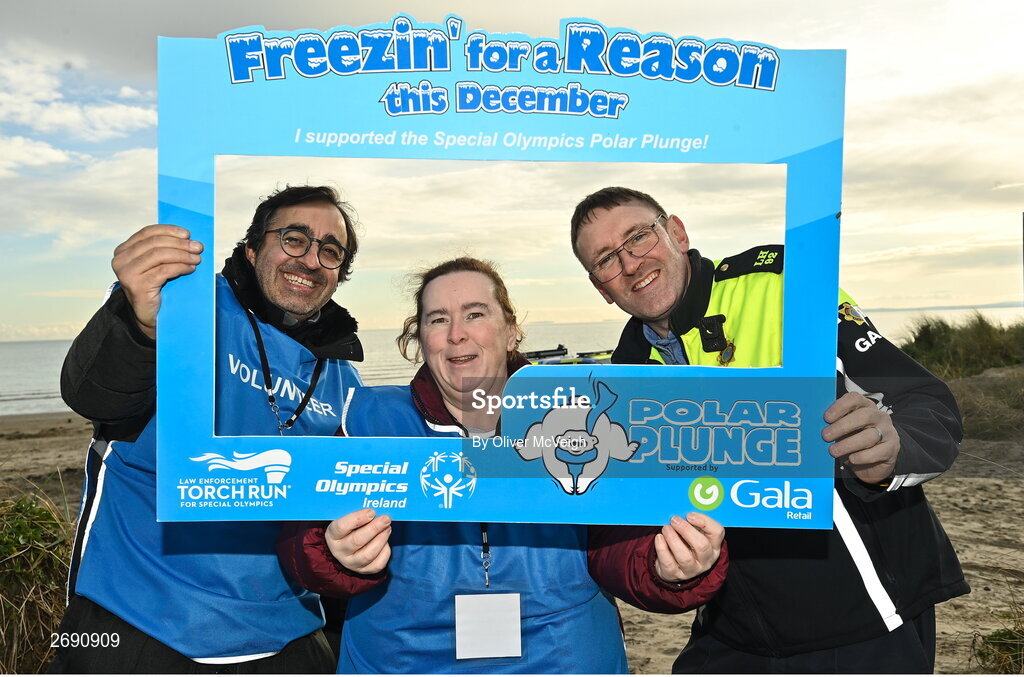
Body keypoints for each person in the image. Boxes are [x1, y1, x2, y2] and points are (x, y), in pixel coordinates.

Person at [569, 186, 968, 674]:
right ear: (600, 288)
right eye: (607, 259)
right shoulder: (622, 371)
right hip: (737, 629)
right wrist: (666, 568)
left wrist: (894, 449)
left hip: (868, 616)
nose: (630, 264)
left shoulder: (780, 283)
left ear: (676, 232)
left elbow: (927, 405)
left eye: (639, 237)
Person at [277, 257, 729, 673]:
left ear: (511, 329)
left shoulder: (580, 413)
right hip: (406, 660)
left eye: (475, 314)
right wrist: (333, 552)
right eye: (438, 320)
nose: (457, 334)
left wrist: (664, 566)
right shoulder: (366, 421)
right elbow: (300, 541)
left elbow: (614, 545)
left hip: (560, 658)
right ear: (419, 339)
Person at [50, 185, 364, 673]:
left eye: (330, 251)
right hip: (134, 618)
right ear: (252, 248)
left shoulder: (343, 377)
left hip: (284, 632)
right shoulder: (183, 305)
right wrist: (140, 326)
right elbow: (92, 394)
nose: (311, 259)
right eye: (295, 239)